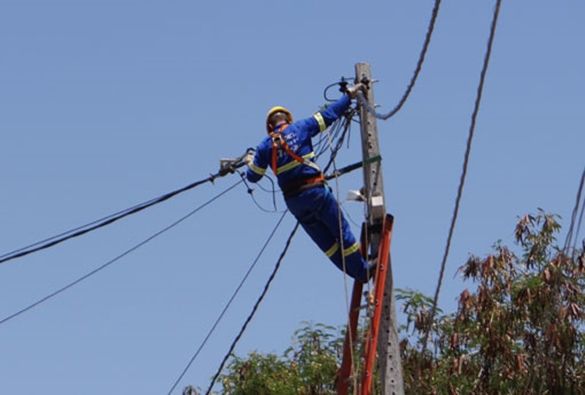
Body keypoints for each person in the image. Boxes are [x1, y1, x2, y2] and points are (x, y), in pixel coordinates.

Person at [245, 84, 374, 282]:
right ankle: (362, 271)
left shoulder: (264, 146)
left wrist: (250, 162)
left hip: (295, 203)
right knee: (343, 234)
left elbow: (253, 177)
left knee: (330, 247)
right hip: (315, 193)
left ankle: (359, 273)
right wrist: (349, 95)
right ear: (288, 119)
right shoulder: (301, 127)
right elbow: (329, 114)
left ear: (270, 127)